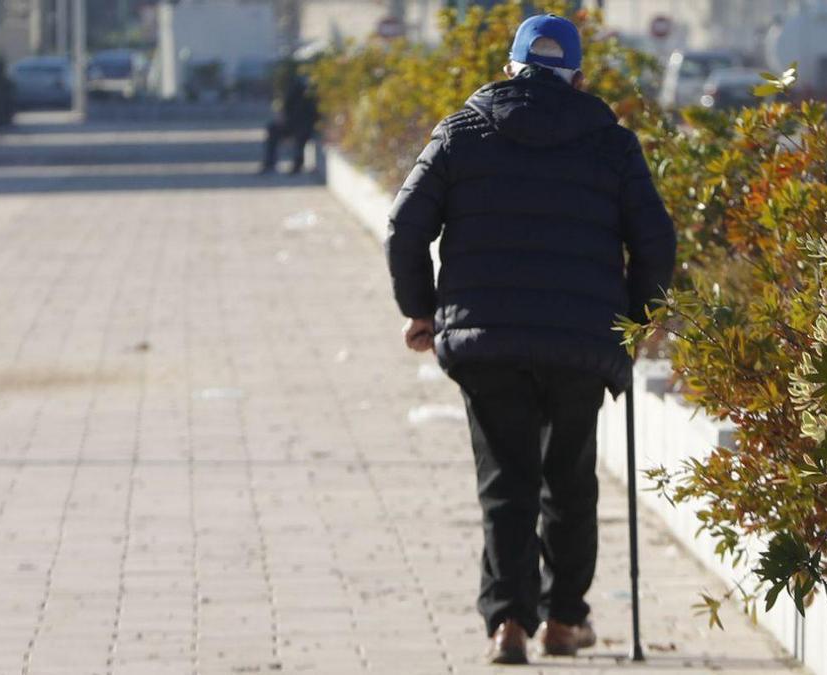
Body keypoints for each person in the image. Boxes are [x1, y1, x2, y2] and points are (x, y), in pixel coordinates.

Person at [385, 14, 676, 665]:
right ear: (577, 77)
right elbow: (656, 242)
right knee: (569, 477)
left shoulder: (463, 131)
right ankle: (564, 621)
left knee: (506, 479)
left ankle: (509, 622)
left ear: (511, 68)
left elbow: (405, 224)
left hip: (487, 341)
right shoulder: (612, 143)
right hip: (580, 339)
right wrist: (634, 319)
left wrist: (421, 309)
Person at [259, 64, 319, 175]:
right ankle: (269, 163)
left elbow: (316, 113)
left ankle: (297, 164)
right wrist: (282, 117)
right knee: (272, 129)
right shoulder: (295, 88)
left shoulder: (316, 90)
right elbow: (285, 107)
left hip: (308, 124)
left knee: (302, 134)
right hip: (291, 123)